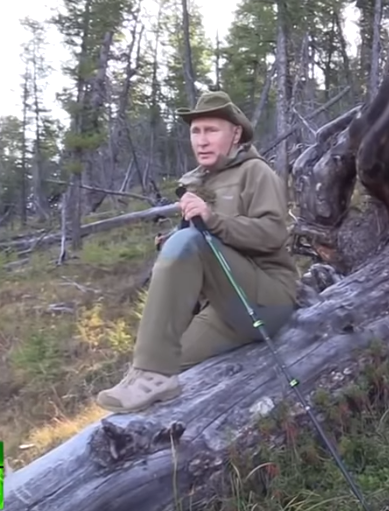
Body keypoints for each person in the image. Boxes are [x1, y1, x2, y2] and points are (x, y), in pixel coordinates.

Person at [96, 91, 299, 414]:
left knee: (187, 243)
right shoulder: (198, 183)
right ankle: (148, 395)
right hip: (223, 307)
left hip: (266, 299)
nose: (201, 140)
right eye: (196, 131)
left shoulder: (256, 172)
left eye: (211, 130)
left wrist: (210, 222)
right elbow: (206, 249)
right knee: (167, 357)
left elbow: (274, 234)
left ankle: (152, 377)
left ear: (235, 133)